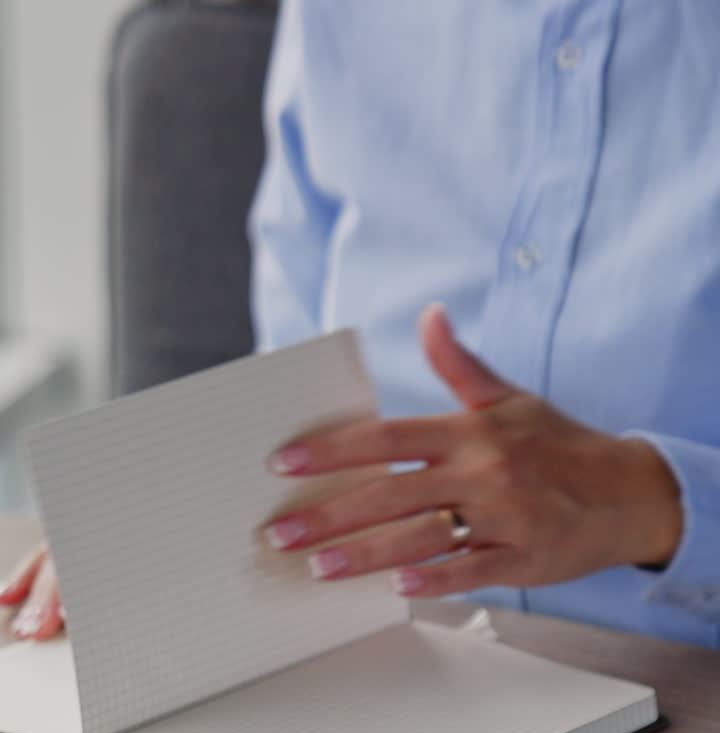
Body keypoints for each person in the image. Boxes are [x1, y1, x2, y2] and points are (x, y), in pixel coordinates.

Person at [3, 1, 720, 648]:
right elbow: (287, 386)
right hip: (365, 651)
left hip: (682, 693)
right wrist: (185, 507)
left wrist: (657, 503)